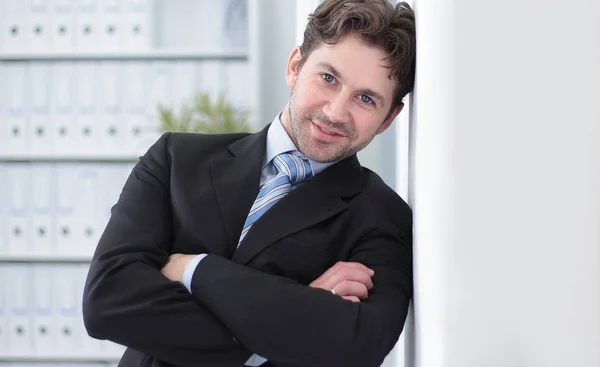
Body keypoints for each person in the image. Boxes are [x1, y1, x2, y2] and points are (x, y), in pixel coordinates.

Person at [82, 0, 416, 366]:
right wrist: (293, 318)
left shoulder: (383, 216)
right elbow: (107, 300)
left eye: (366, 99)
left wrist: (194, 269)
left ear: (388, 119)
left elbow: (357, 344)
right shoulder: (176, 160)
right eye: (328, 78)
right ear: (295, 66)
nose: (335, 112)